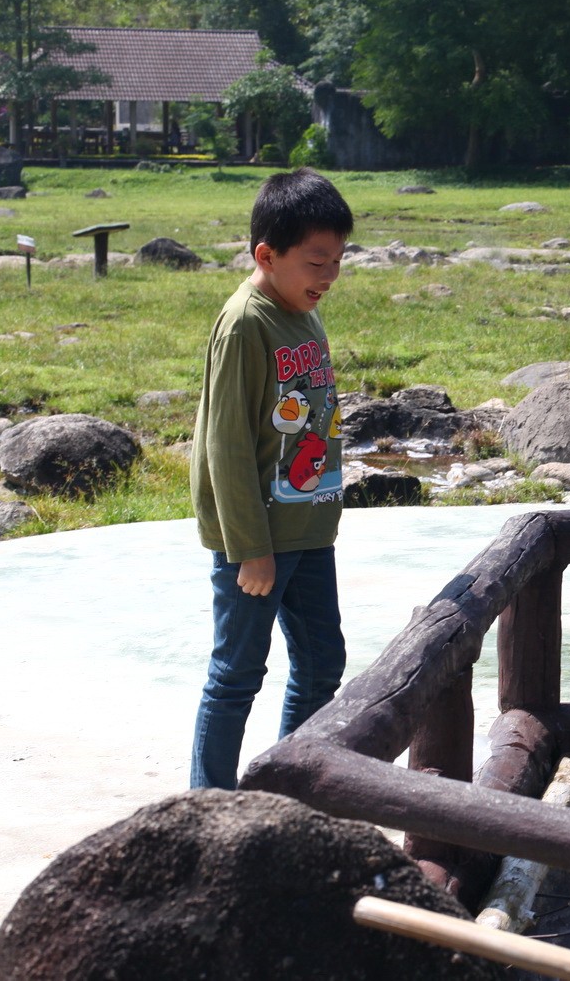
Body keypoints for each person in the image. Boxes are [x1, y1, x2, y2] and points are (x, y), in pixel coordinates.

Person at [189, 167, 355, 789]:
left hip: (308, 525)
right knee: (236, 673)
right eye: (317, 262)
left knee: (321, 665)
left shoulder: (303, 312)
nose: (330, 276)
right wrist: (249, 549)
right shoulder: (245, 324)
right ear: (267, 254)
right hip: (257, 538)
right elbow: (225, 447)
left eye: (338, 260)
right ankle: (207, 803)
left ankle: (286, 792)